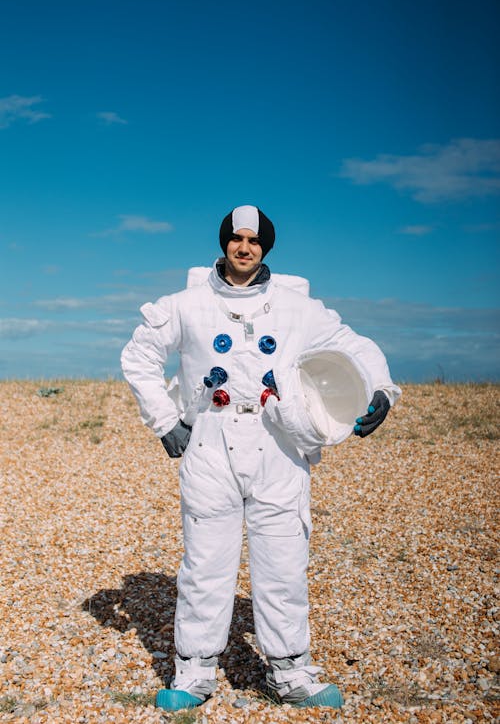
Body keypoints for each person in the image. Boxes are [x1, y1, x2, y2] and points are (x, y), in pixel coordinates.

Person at [121, 205, 401, 712]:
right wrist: (165, 421)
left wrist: (381, 389)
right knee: (206, 562)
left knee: (283, 562)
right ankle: (195, 672)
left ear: (266, 247)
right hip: (210, 442)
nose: (244, 247)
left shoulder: (298, 309)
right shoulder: (187, 304)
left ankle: (290, 671)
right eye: (236, 238)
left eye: (254, 240)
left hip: (279, 444)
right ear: (224, 242)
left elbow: (354, 346)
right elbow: (139, 354)